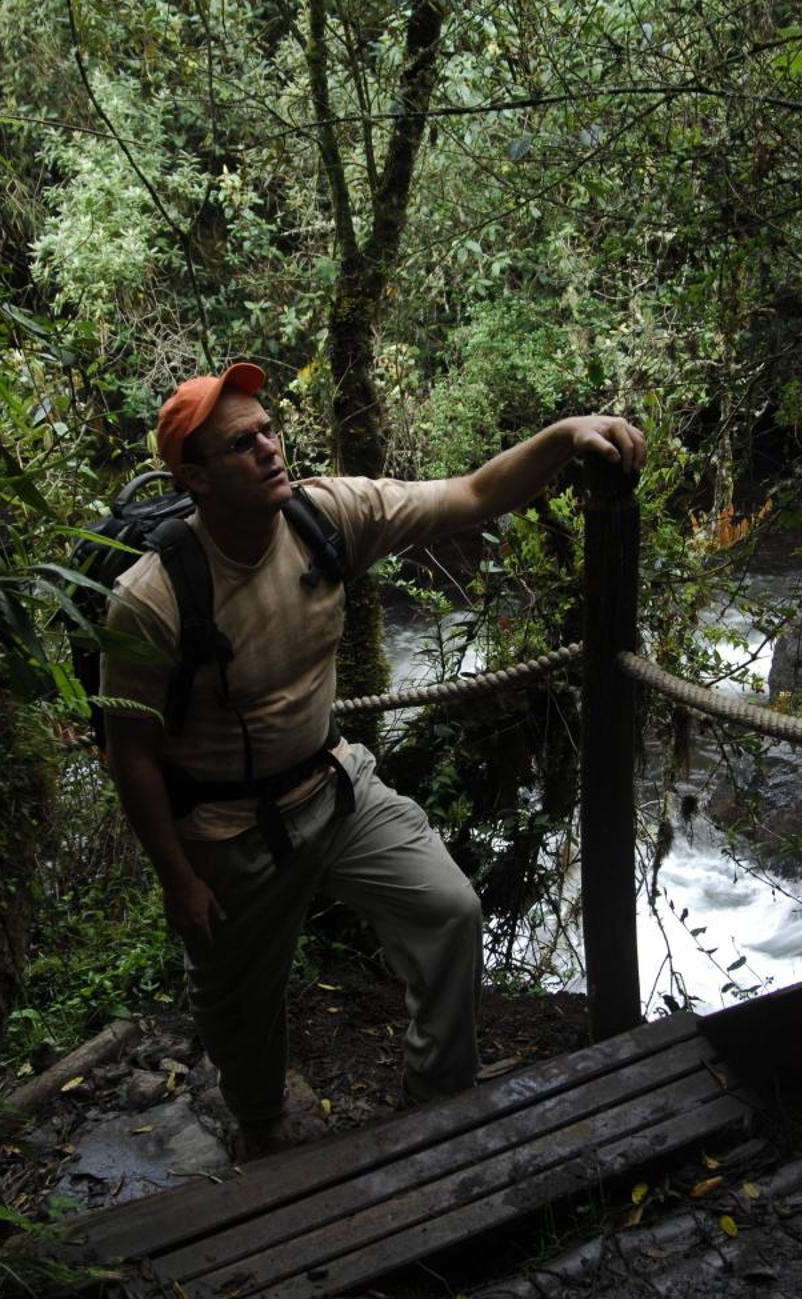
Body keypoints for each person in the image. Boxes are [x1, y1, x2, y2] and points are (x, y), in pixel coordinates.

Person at [100, 361, 646, 1156]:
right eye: (239, 443)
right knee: (240, 1010)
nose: (267, 448)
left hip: (333, 784)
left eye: (267, 430)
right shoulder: (151, 598)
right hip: (225, 831)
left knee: (448, 910)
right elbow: (131, 752)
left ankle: (439, 1103)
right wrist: (177, 879)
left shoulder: (325, 516)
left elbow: (471, 496)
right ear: (196, 478)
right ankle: (263, 1134)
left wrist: (567, 436)